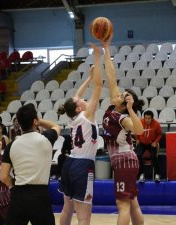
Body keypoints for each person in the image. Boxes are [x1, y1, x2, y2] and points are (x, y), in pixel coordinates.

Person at [57, 43, 102, 225]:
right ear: (78, 107)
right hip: (83, 166)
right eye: (81, 100)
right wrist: (98, 59)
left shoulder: (74, 117)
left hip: (69, 164)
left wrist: (89, 78)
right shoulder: (87, 115)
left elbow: (77, 94)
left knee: (67, 209)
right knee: (84, 216)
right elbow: (99, 87)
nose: (83, 98)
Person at [102, 35, 144, 225]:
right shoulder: (113, 107)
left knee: (122, 204)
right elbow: (111, 76)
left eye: (121, 95)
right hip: (125, 161)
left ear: (124, 103)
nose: (117, 93)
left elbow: (140, 131)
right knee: (132, 202)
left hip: (126, 161)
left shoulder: (123, 118)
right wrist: (107, 49)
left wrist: (130, 109)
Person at [0, 103, 61, 225]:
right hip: (40, 197)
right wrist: (38, 120)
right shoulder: (47, 138)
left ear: (19, 122)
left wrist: (13, 186)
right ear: (35, 121)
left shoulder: (11, 146)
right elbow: (55, 126)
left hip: (18, 196)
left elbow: (3, 176)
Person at [135, 110, 162, 182]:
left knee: (154, 156)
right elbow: (136, 131)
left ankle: (157, 174)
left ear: (152, 118)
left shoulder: (156, 124)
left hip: (151, 143)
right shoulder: (140, 122)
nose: (147, 120)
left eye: (149, 118)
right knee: (138, 155)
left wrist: (155, 142)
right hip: (142, 143)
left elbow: (160, 134)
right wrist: (137, 139)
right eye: (146, 118)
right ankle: (141, 174)